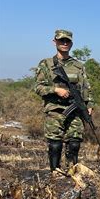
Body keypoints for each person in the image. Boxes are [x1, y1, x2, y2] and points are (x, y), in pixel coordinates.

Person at [34, 29, 94, 175]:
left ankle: (72, 172)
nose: (65, 43)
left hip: (75, 110)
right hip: (55, 110)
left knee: (74, 143)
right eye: (61, 41)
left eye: (67, 41)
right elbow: (38, 87)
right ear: (55, 42)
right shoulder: (46, 64)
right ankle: (55, 173)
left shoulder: (78, 65)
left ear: (71, 43)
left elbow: (86, 86)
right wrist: (55, 90)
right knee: (55, 145)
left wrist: (89, 105)